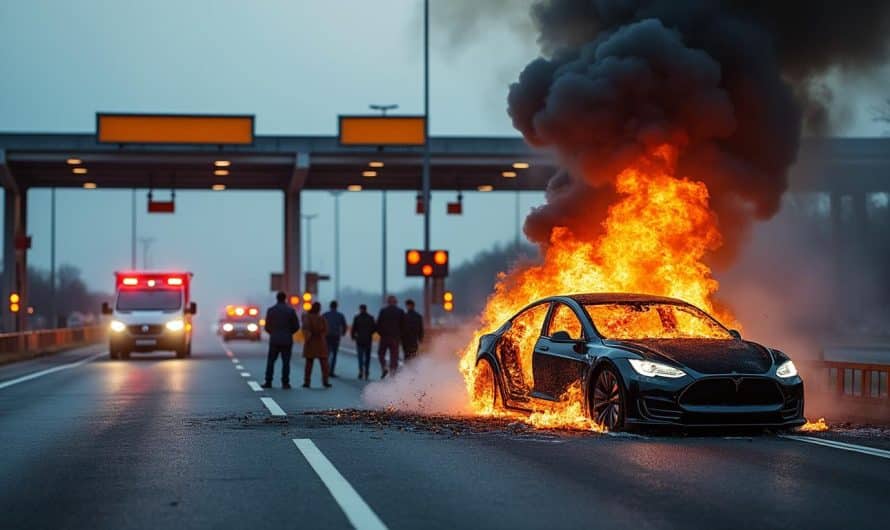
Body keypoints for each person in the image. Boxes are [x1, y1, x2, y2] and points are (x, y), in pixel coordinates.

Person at [262, 291, 300, 389]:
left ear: (277, 298)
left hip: (274, 339)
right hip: (287, 339)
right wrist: (289, 332)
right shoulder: (290, 311)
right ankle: (285, 382)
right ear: (285, 298)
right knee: (286, 362)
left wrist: (273, 333)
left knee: (271, 361)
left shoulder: (271, 310)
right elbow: (296, 326)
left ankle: (268, 381)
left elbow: (267, 327)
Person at [301, 301, 332, 388]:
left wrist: (308, 336)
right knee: (324, 364)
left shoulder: (307, 317)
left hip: (310, 343)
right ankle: (325, 381)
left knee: (309, 364)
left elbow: (305, 328)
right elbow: (325, 330)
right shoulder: (321, 318)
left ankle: (307, 381)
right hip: (320, 343)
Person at [376, 295, 404, 378]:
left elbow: (378, 325)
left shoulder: (383, 311)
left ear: (388, 302)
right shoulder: (400, 311)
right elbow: (403, 325)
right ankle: (393, 372)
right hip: (395, 338)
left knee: (381, 353)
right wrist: (400, 336)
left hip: (384, 337)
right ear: (396, 302)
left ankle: (384, 366)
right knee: (394, 356)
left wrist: (381, 334)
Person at [322, 300, 348, 378]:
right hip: (336, 336)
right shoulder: (340, 315)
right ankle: (331, 371)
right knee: (334, 354)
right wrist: (342, 333)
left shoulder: (325, 315)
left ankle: (326, 370)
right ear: (336, 306)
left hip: (327, 336)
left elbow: (321, 325)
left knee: (326, 354)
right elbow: (344, 325)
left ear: (330, 306)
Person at [351, 304, 376, 380]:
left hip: (359, 340)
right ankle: (367, 372)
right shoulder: (371, 318)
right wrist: (369, 333)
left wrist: (353, 336)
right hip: (368, 340)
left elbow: (354, 328)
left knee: (360, 357)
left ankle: (361, 371)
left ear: (360, 309)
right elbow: (374, 328)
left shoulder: (357, 318)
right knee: (367, 357)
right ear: (366, 309)